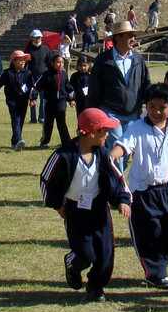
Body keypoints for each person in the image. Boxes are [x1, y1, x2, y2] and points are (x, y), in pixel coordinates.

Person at [40, 108, 131, 302]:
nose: (108, 135)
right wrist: (58, 206)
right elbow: (46, 181)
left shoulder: (103, 154)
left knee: (105, 252)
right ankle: (73, 263)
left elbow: (117, 178)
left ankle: (95, 286)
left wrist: (122, 200)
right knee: (85, 253)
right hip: (75, 209)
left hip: (99, 208)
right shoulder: (64, 155)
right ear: (91, 133)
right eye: (104, 131)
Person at [111, 83, 168, 289]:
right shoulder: (138, 127)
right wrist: (112, 156)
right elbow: (123, 145)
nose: (156, 112)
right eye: (151, 106)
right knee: (149, 234)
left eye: (161, 107)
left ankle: (165, 258)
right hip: (143, 191)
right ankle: (155, 273)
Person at [87, 21, 152, 173]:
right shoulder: (103, 60)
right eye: (130, 36)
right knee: (116, 148)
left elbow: (146, 84)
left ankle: (115, 179)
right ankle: (118, 188)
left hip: (133, 114)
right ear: (118, 38)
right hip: (111, 112)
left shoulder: (138, 59)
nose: (133, 39)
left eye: (133, 36)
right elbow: (95, 88)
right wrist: (90, 113)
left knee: (126, 152)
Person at [0, 50, 37, 151]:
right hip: (12, 101)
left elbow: (32, 87)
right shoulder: (7, 73)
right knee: (16, 119)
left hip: (23, 100)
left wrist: (33, 98)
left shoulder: (28, 73)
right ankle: (19, 139)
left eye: (24, 60)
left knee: (21, 120)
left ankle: (14, 142)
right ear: (13, 61)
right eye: (20, 60)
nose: (23, 62)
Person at [36, 53, 75, 148]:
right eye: (58, 62)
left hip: (61, 102)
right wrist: (33, 98)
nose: (60, 64)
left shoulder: (64, 75)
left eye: (62, 62)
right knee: (48, 123)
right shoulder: (46, 75)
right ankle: (45, 141)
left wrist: (71, 99)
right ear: (52, 63)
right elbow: (37, 86)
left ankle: (66, 142)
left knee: (61, 122)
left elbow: (68, 87)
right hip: (50, 102)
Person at [24, 30, 51, 124]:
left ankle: (42, 117)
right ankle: (33, 118)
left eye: (39, 37)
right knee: (32, 98)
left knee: (43, 98)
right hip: (32, 77)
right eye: (36, 37)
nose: (38, 39)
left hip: (43, 77)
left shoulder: (46, 49)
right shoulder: (28, 50)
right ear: (31, 38)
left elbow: (49, 63)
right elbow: (25, 64)